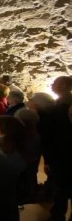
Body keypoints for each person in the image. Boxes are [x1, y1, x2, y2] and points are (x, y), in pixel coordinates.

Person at [49, 76, 72, 220]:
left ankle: (57, 215)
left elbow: (60, 131)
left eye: (54, 83)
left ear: (63, 85)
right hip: (61, 151)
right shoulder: (62, 102)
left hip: (65, 152)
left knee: (62, 186)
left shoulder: (65, 104)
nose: (52, 85)